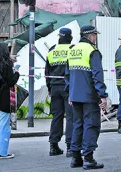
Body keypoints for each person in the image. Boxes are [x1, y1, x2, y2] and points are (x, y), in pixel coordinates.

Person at [65, 25, 109, 170]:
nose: (96, 37)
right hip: (89, 95)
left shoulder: (72, 50)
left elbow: (67, 75)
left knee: (78, 124)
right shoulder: (92, 51)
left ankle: (76, 158)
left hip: (75, 95)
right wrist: (102, 95)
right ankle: (88, 158)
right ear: (90, 36)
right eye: (95, 35)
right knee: (91, 125)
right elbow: (97, 75)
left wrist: (69, 93)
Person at [45, 27, 75, 157]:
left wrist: (49, 88)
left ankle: (53, 146)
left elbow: (47, 72)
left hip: (55, 87)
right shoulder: (72, 49)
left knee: (56, 117)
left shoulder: (52, 50)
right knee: (70, 117)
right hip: (68, 88)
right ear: (70, 37)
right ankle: (70, 147)